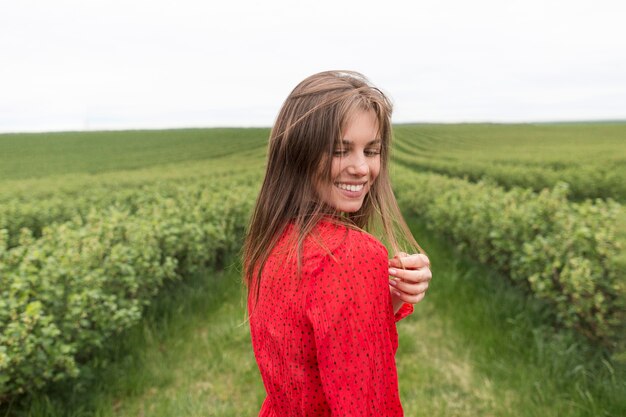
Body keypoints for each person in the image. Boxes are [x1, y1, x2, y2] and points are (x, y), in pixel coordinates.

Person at [242, 70, 432, 416]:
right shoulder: (349, 255)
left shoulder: (272, 241)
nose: (361, 168)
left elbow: (312, 348)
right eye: (340, 150)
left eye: (371, 151)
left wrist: (384, 296)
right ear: (300, 155)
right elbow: (367, 402)